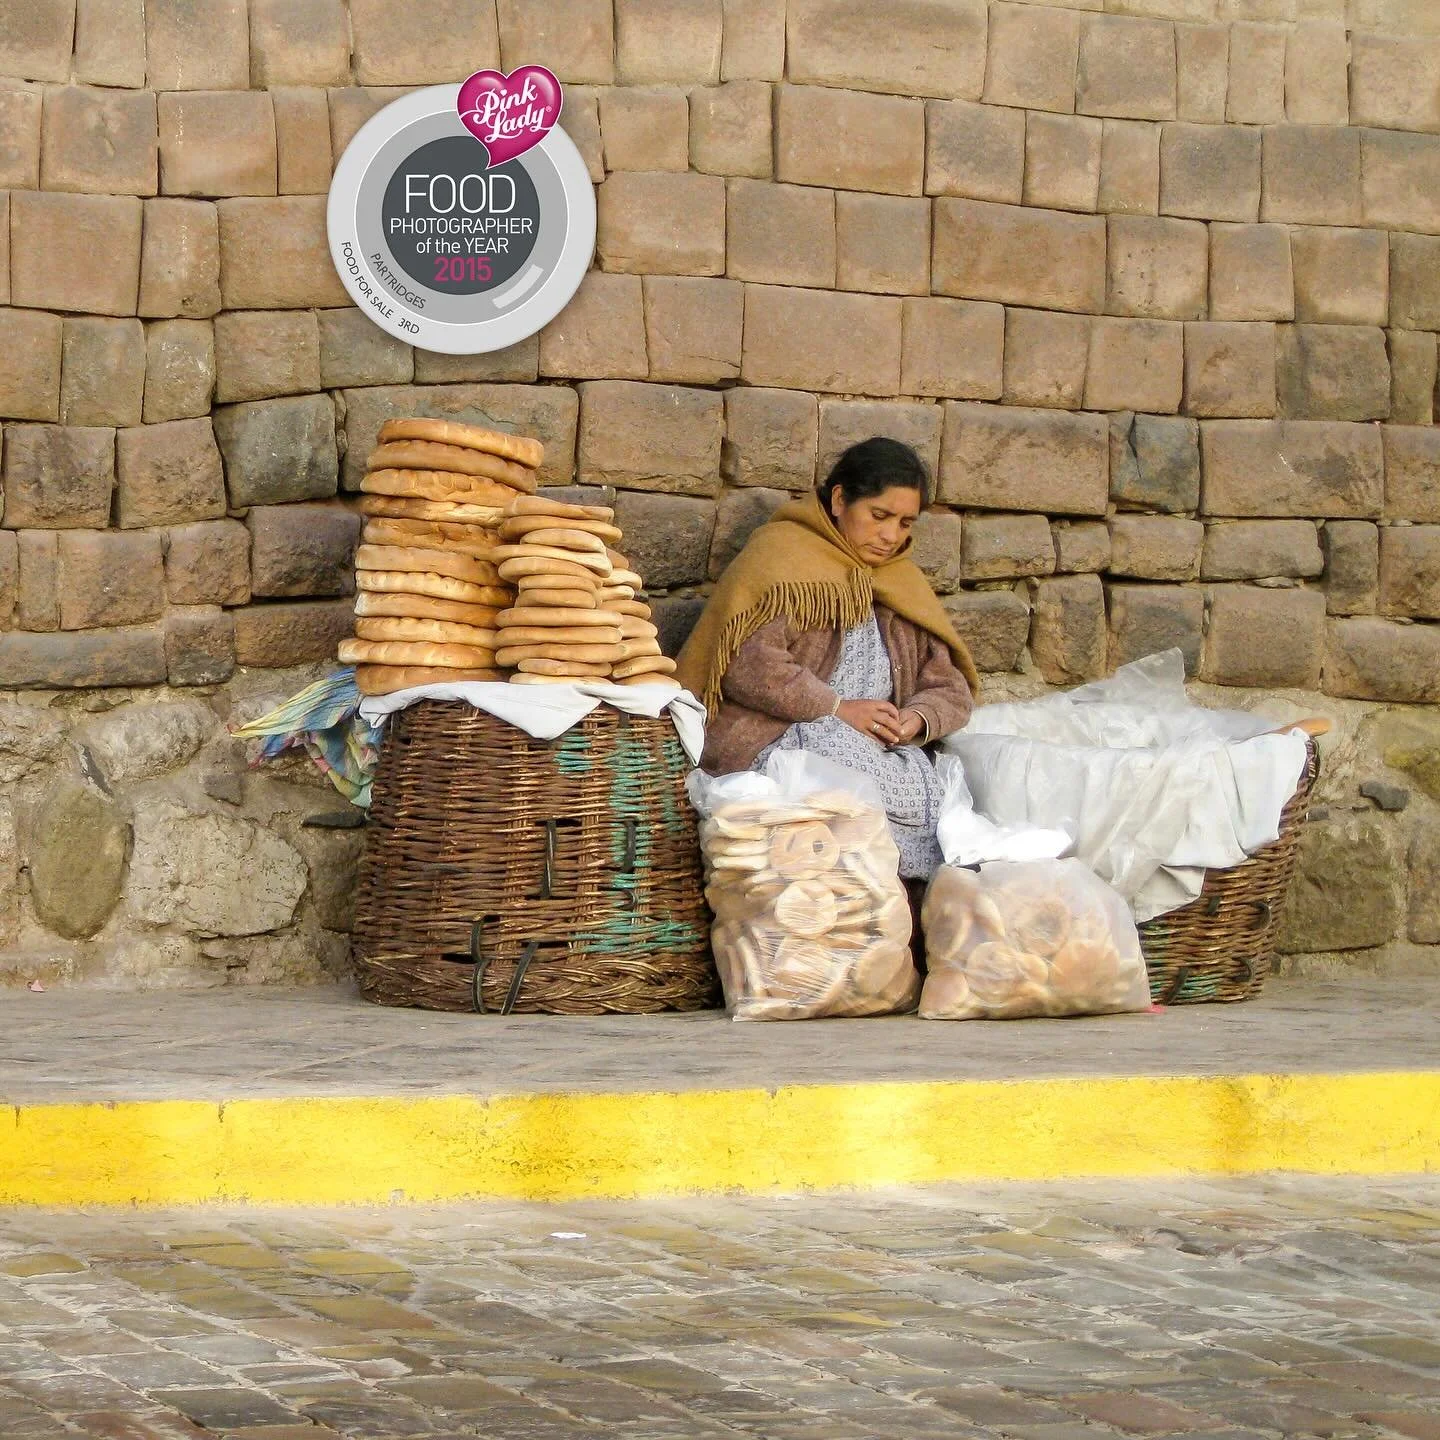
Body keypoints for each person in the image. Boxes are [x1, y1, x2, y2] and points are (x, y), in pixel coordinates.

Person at [677, 437, 979, 881]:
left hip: (877, 746)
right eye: (879, 516)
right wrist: (837, 709)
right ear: (839, 500)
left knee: (931, 791)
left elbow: (951, 689)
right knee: (838, 780)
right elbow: (747, 663)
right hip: (783, 736)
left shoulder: (899, 581)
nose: (891, 536)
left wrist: (916, 719)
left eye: (905, 522)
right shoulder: (784, 558)